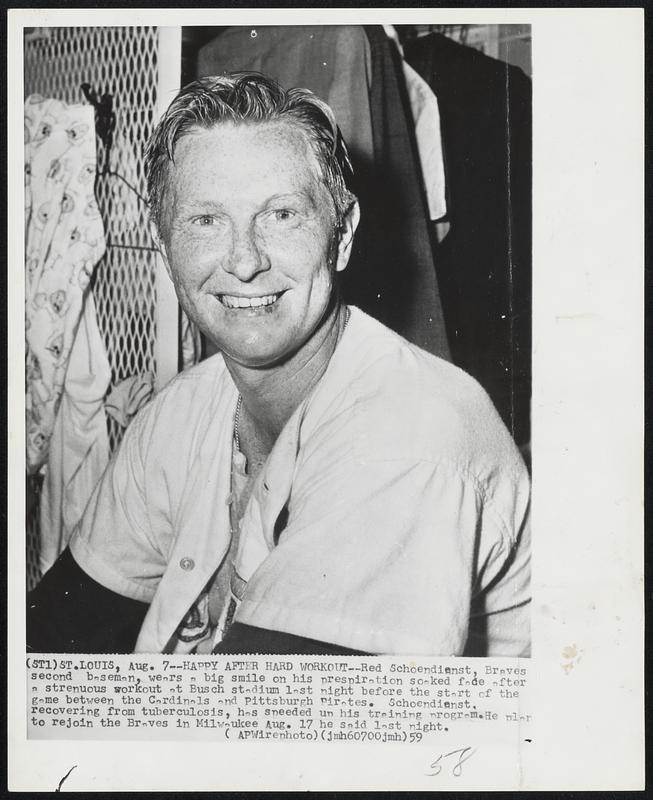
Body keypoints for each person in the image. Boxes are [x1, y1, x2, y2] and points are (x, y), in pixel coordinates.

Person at [27, 72, 530, 656]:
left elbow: (277, 736)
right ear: (164, 248)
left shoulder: (406, 436)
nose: (243, 261)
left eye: (282, 215)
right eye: (205, 220)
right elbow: (56, 639)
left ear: (341, 235)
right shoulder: (183, 412)